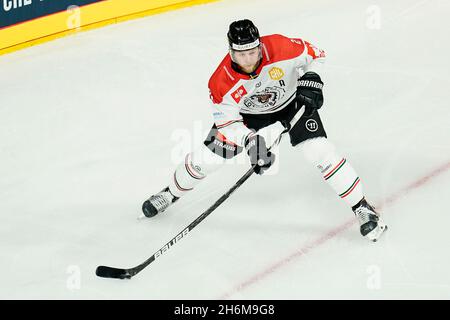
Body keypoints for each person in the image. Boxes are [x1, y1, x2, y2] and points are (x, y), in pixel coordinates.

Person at [141, 19, 387, 241]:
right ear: (231, 53)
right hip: (248, 119)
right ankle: (170, 194)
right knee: (204, 161)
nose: (249, 59)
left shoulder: (281, 47)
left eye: (252, 51)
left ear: (259, 46)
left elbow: (317, 54)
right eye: (241, 54)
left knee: (320, 152)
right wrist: (252, 143)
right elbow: (228, 123)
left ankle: (362, 207)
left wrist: (312, 77)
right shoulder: (220, 82)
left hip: (292, 105)